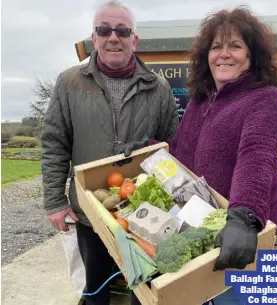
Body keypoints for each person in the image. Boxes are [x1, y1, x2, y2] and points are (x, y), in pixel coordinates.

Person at [40, 1, 179, 305]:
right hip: (91, 213)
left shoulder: (158, 87)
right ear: (95, 36)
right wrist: (55, 201)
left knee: (144, 291)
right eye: (104, 30)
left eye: (122, 30)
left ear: (134, 39)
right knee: (95, 291)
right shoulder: (69, 82)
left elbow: (173, 145)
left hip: (144, 214)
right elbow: (54, 143)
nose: (113, 37)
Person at [170, 7, 277, 305]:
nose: (224, 54)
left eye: (235, 46)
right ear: (206, 56)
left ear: (252, 56)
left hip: (243, 235)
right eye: (216, 47)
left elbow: (258, 156)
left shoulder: (265, 99)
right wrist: (145, 150)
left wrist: (244, 216)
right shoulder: (200, 100)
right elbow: (181, 152)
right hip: (204, 226)